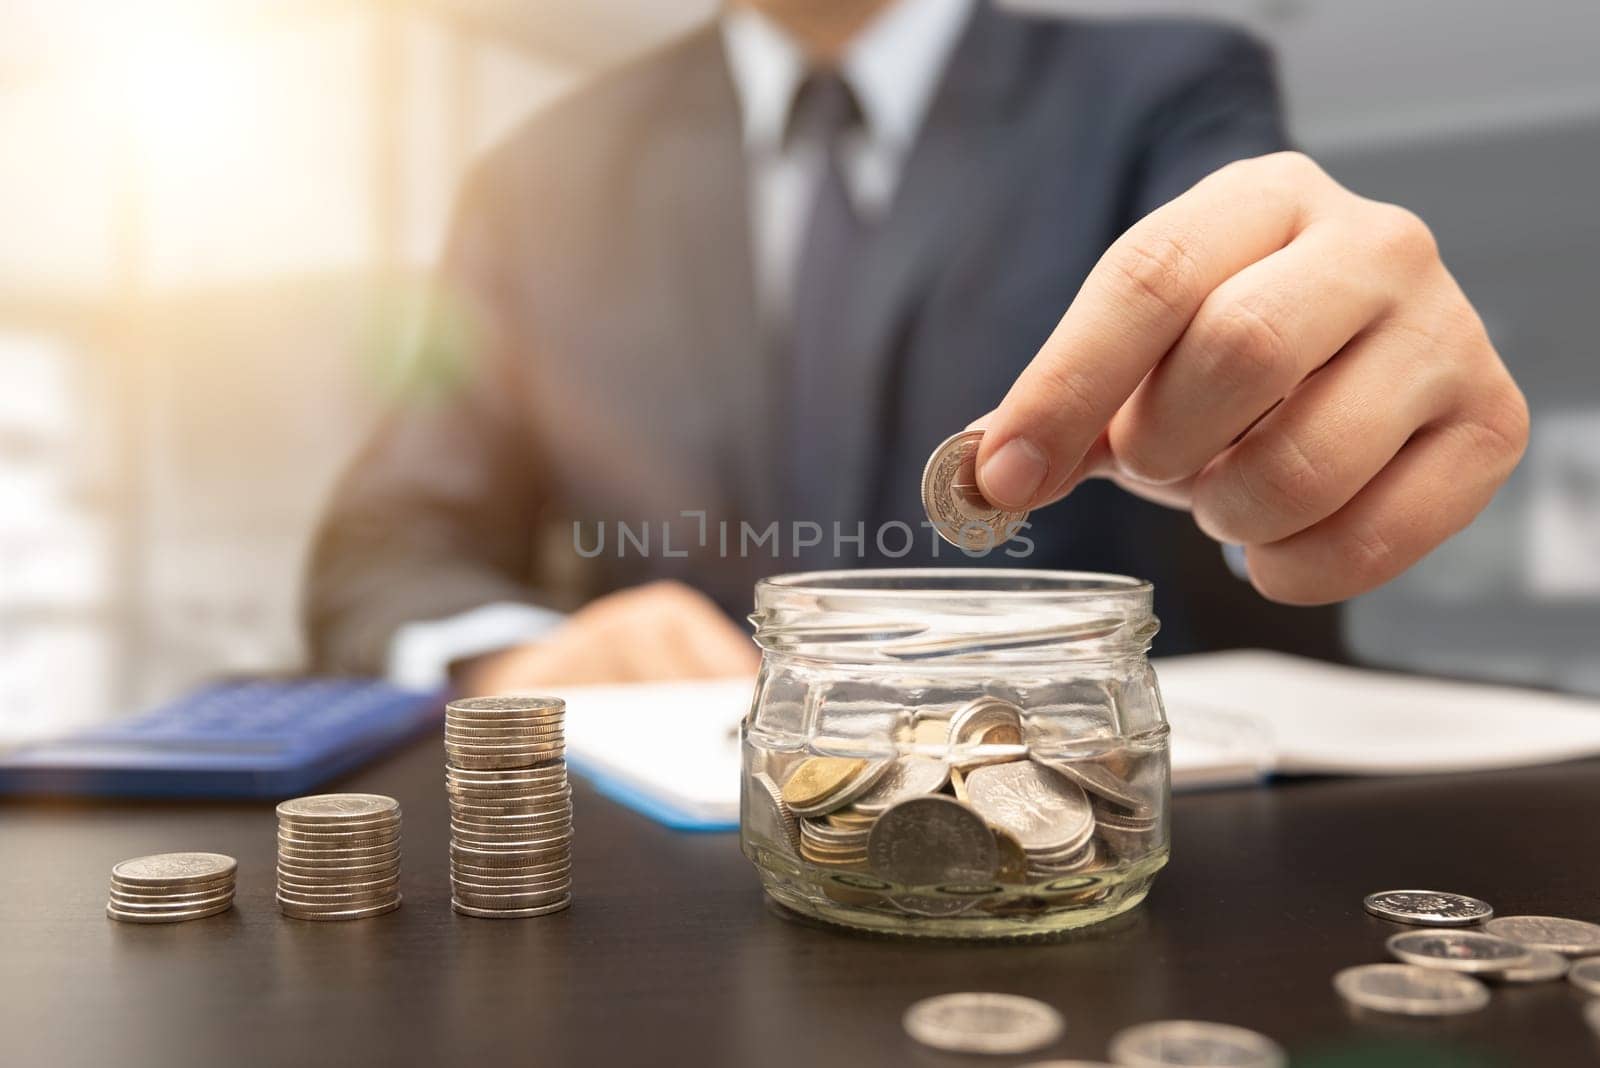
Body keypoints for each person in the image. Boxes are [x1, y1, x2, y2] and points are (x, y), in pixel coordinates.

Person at [304, 0, 1526, 694]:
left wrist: (1313, 351)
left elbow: (1250, 273)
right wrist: (518, 657)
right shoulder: (533, 179)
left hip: (1115, 845)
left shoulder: (1168, 86)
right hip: (681, 876)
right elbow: (386, 545)